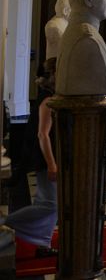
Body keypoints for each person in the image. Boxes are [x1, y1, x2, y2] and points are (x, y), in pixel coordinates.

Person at [4, 58, 58, 259]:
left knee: (51, 202)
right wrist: (52, 164)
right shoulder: (47, 100)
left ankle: (43, 244)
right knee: (49, 204)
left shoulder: (53, 97)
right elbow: (43, 135)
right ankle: (5, 222)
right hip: (46, 158)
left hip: (52, 157)